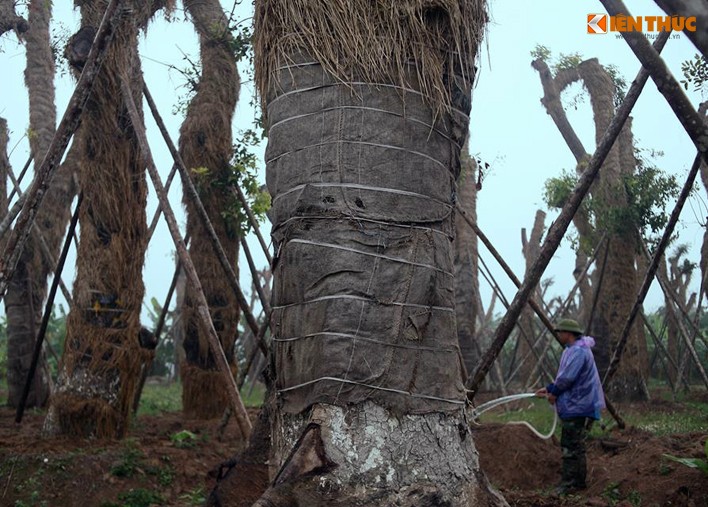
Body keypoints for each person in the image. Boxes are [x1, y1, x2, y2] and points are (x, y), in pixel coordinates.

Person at [536, 318, 605, 496]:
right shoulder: (576, 350)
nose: (558, 335)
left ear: (568, 333)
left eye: (560, 332)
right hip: (577, 403)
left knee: (569, 444)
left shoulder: (578, 352)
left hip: (577, 404)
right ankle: (579, 482)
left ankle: (568, 484)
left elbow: (567, 378)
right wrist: (550, 388)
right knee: (576, 444)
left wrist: (554, 393)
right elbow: (564, 377)